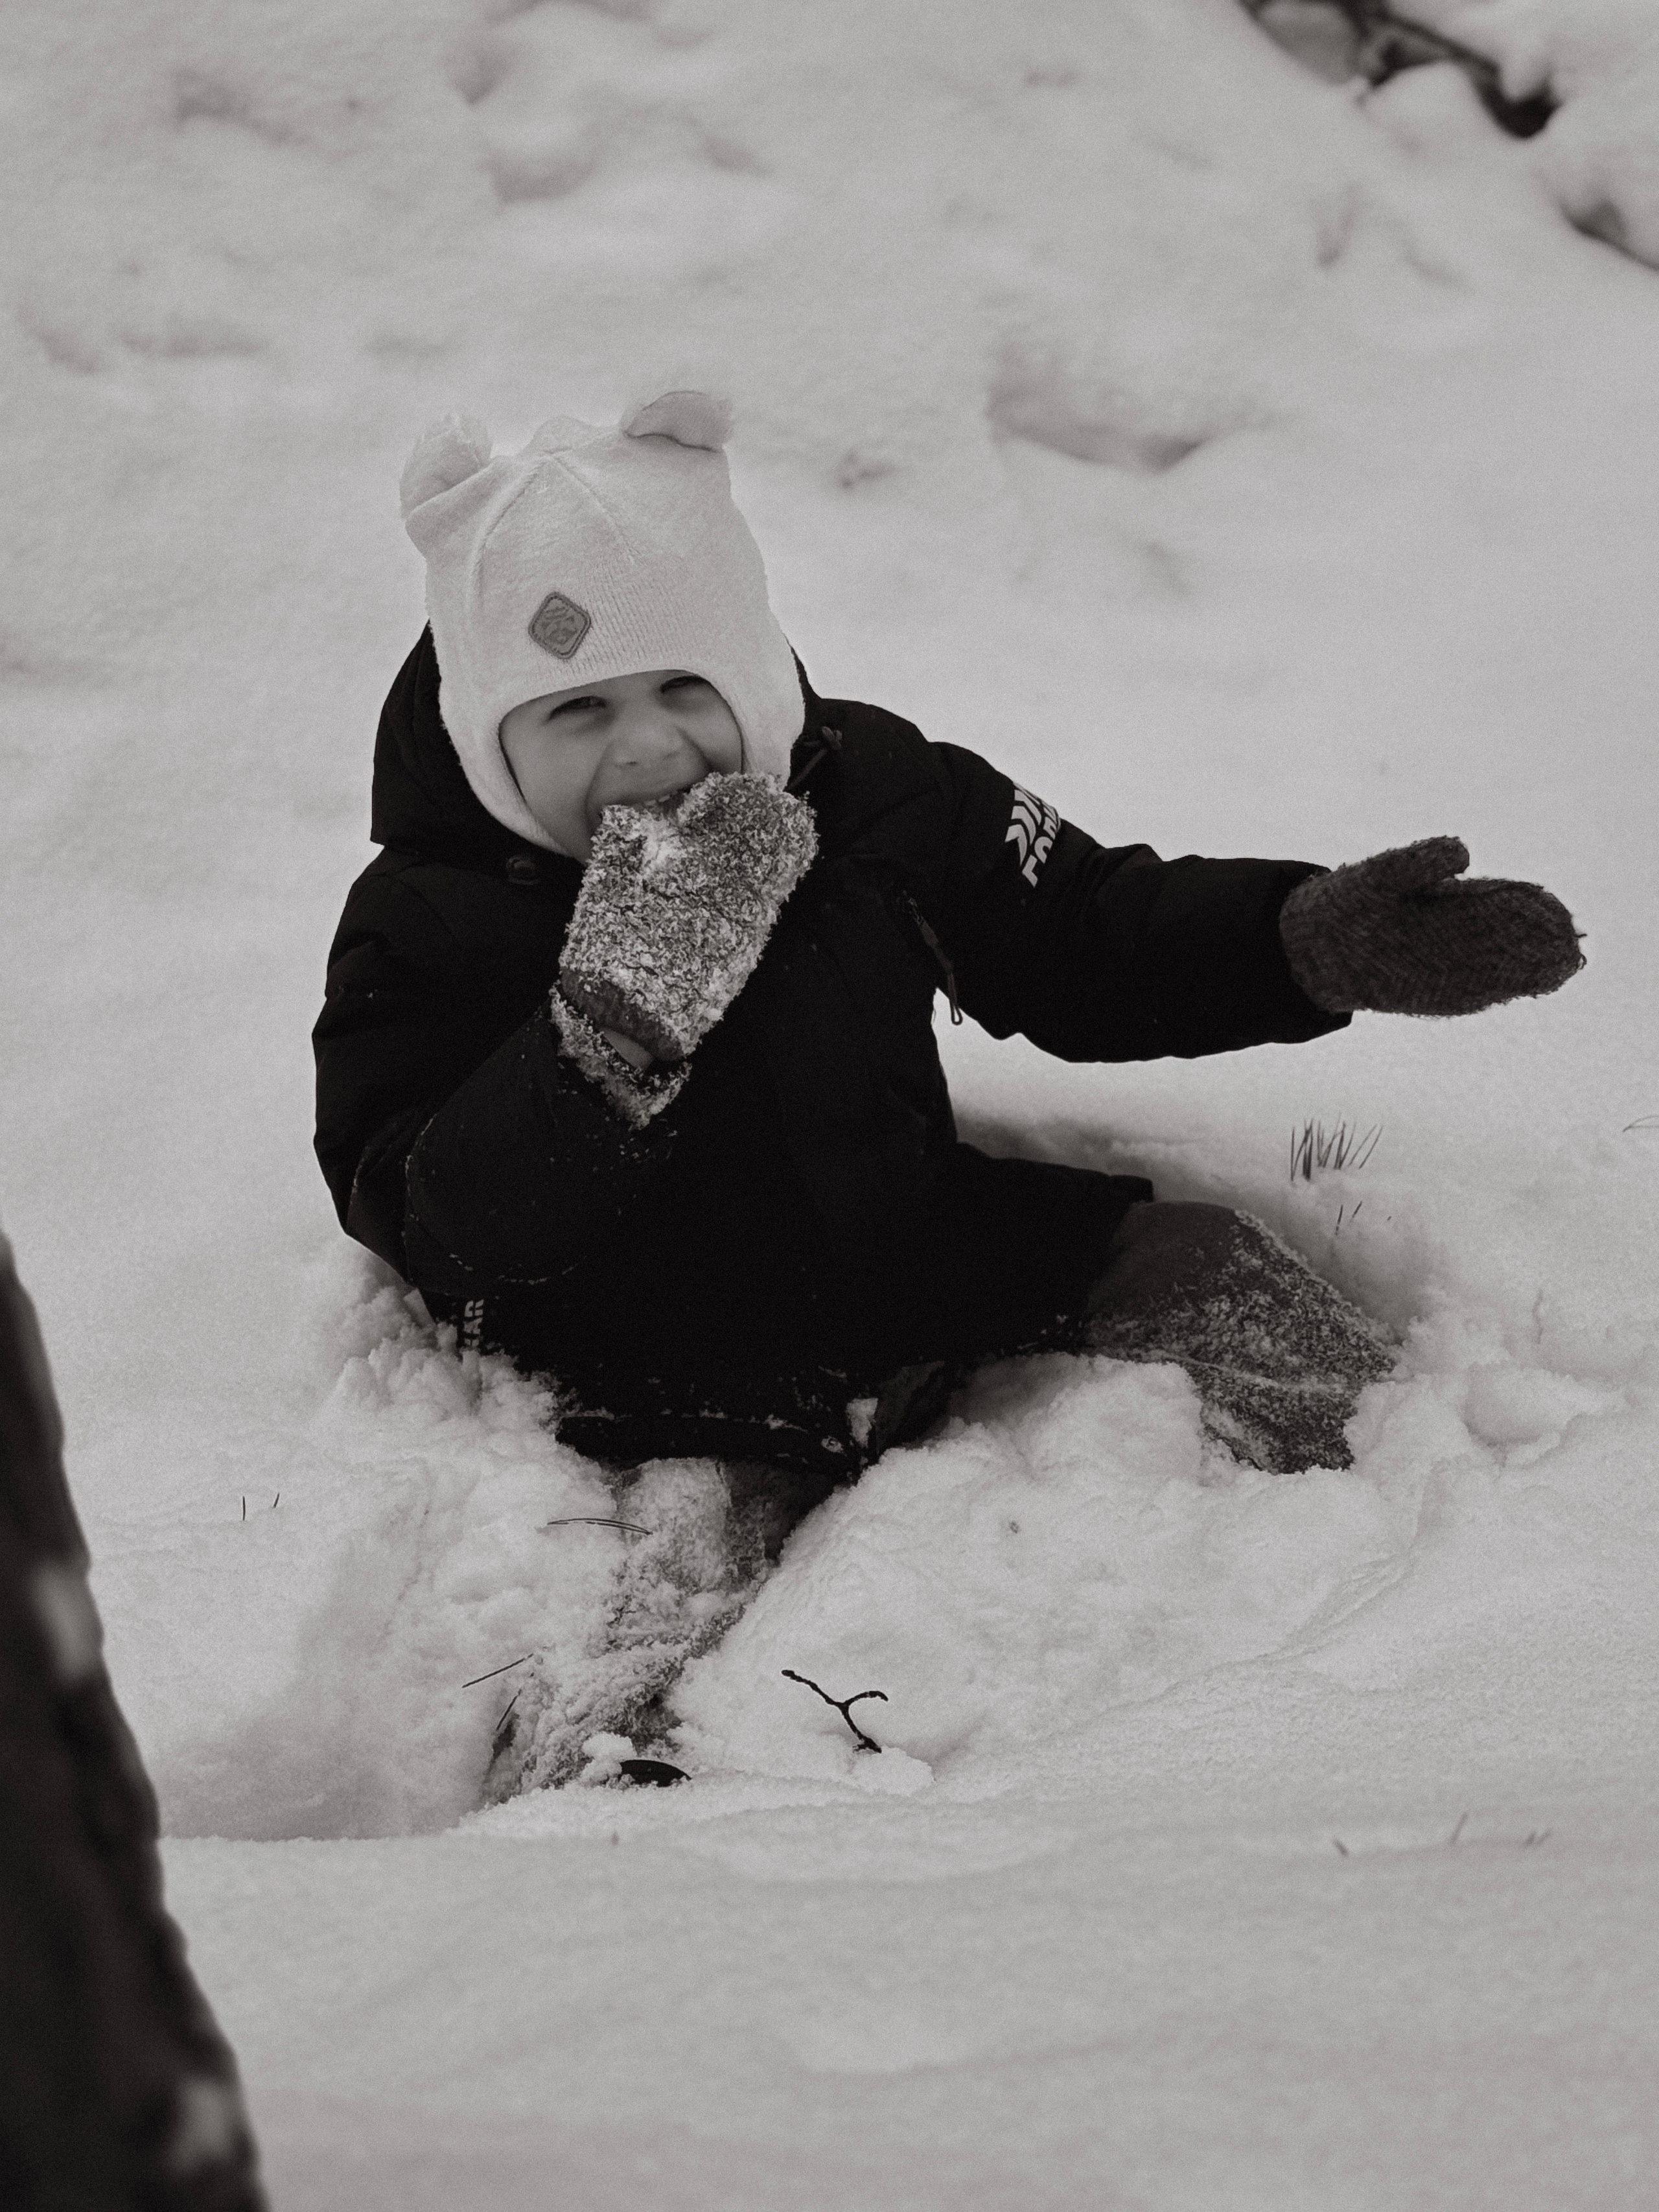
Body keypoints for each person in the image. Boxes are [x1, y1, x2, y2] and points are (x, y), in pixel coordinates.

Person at [313, 390, 1581, 1519]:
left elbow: (1086, 935)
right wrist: (602, 1044)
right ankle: (629, 1763)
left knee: (1201, 1266)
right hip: (652, 1350)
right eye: (577, 711)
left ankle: (1452, 1518)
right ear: (487, 736)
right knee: (690, 1541)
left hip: (899, 1239)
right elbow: (423, 1214)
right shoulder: (437, 911)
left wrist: (1301, 939)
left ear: (753, 675)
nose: (644, 750)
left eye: (683, 691)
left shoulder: (875, 798)